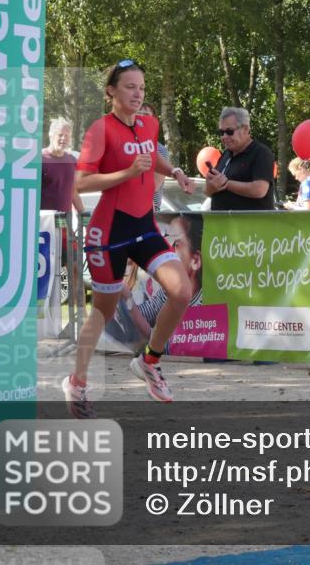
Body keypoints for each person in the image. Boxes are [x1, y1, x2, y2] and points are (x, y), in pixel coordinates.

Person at [63, 59, 194, 418]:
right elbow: (81, 182)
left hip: (144, 227)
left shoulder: (149, 125)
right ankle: (77, 382)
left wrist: (176, 171)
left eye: (142, 88)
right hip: (108, 233)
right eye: (130, 87)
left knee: (182, 290)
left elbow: (151, 161)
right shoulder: (100, 130)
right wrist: (124, 172)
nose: (138, 94)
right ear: (111, 92)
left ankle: (149, 361)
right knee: (102, 314)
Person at [113, 214, 205, 348]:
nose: (166, 251)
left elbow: (167, 346)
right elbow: (140, 316)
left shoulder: (205, 302)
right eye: (165, 242)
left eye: (175, 244)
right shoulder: (167, 293)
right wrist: (125, 299)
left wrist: (127, 299)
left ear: (195, 260)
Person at [205, 107, 275, 211]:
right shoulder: (226, 155)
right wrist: (211, 186)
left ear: (245, 129)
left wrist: (226, 184)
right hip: (223, 224)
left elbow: (259, 190)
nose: (224, 136)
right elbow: (207, 192)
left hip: (250, 225)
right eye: (221, 132)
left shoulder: (261, 153)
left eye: (229, 131)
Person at [41, 117, 84, 214]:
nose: (63, 138)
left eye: (67, 135)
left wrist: (83, 214)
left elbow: (72, 190)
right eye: (60, 135)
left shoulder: (72, 160)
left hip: (65, 221)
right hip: (44, 221)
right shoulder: (40, 159)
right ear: (51, 135)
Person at [138, 104, 170, 211]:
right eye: (138, 114)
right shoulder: (124, 145)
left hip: (149, 212)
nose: (141, 117)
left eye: (146, 115)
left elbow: (149, 189)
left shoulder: (159, 150)